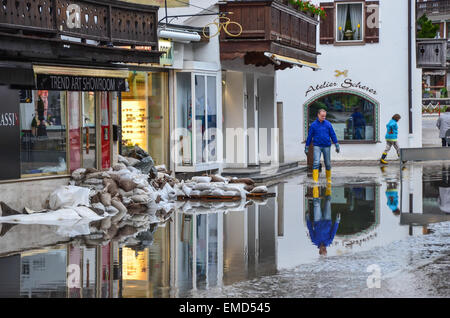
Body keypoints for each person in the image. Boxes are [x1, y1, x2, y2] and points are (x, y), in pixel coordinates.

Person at [305, 109, 340, 183]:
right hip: (317, 145)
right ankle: (315, 180)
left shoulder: (328, 124)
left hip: (326, 146)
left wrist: (336, 144)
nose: (324, 117)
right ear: (318, 115)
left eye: (325, 116)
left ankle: (328, 179)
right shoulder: (313, 125)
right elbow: (309, 136)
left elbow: (332, 134)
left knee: (327, 163)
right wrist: (307, 146)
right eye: (322, 116)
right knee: (316, 162)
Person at [306, 185, 340, 256]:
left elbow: (310, 229)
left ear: (319, 250)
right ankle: (328, 185)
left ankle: (315, 185)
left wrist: (308, 219)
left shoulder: (314, 240)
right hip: (327, 220)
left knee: (316, 204)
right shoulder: (329, 241)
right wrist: (337, 221)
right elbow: (334, 230)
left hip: (317, 220)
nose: (325, 248)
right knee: (328, 201)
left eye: (323, 250)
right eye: (326, 250)